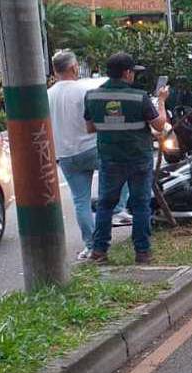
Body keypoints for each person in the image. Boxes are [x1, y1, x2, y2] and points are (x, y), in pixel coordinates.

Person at [84, 53, 168, 264]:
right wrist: (161, 101)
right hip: (139, 158)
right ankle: (142, 252)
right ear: (127, 73)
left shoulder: (92, 96)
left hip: (110, 158)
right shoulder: (139, 97)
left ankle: (99, 251)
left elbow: (90, 127)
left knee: (105, 205)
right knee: (140, 205)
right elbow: (159, 125)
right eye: (133, 72)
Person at [48, 50, 113, 259]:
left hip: (65, 154)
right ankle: (118, 213)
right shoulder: (83, 90)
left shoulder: (47, 95)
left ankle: (91, 244)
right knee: (114, 182)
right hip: (91, 147)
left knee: (80, 201)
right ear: (74, 67)